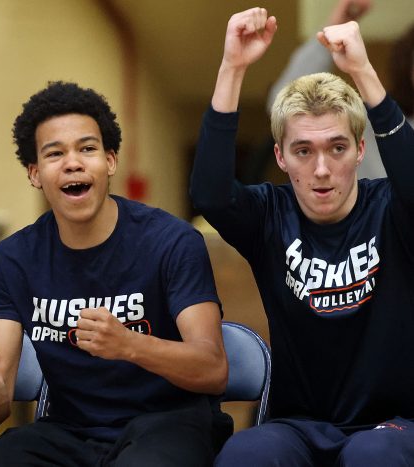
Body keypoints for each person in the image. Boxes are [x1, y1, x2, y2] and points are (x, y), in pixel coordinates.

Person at [0, 81, 232, 466]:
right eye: (55, 154)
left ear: (110, 162)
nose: (73, 162)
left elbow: (213, 369)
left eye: (87, 149)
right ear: (35, 173)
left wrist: (128, 344)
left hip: (168, 423)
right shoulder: (16, 257)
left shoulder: (171, 242)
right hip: (68, 431)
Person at [190, 7, 414, 466]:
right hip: (297, 425)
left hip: (391, 425)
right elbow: (209, 194)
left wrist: (363, 71)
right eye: (303, 151)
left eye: (337, 147)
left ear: (360, 151)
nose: (322, 169)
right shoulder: (270, 214)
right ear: (281, 157)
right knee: (245, 454)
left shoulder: (392, 207)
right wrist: (232, 66)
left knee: (376, 454)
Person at [266, 0, 387, 180]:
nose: (321, 171)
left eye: (338, 148)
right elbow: (280, 104)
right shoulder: (376, 122)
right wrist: (328, 36)